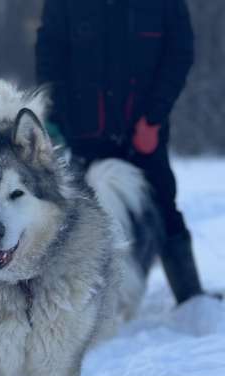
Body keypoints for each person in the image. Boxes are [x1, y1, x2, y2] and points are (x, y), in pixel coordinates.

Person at [35, 0, 215, 304]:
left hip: (144, 130)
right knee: (78, 217)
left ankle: (191, 299)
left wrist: (154, 119)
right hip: (82, 132)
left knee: (163, 207)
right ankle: (76, 301)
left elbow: (179, 54)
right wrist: (55, 118)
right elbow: (49, 55)